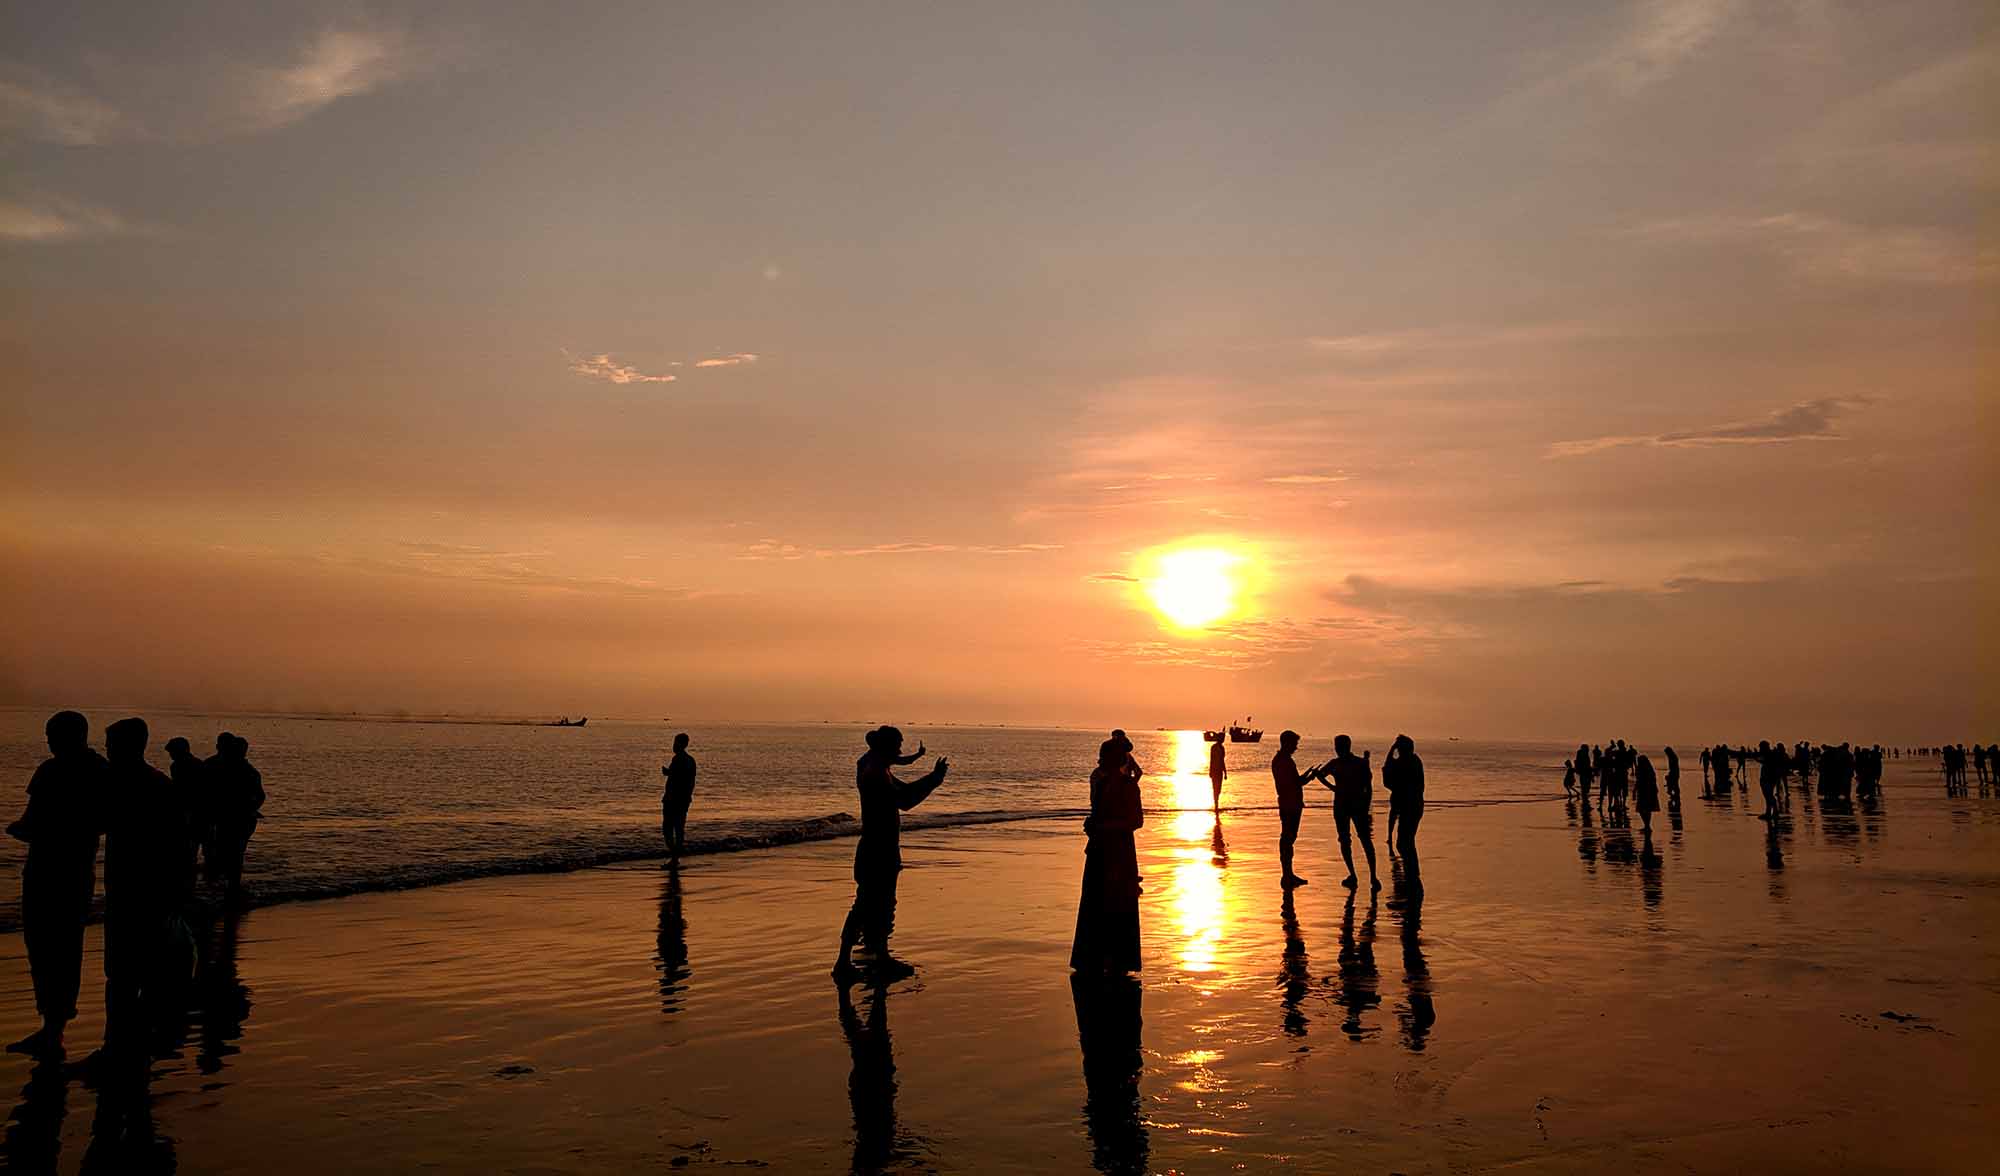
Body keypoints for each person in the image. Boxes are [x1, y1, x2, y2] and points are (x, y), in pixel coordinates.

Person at [97, 717, 198, 1065]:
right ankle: (134, 1045)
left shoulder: (123, 785)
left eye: (110, 747)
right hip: (154, 893)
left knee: (122, 975)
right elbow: (181, 844)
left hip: (132, 893)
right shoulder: (159, 783)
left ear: (125, 747)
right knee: (145, 974)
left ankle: (117, 1047)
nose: (107, 752)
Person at [5, 711, 106, 1057]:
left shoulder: (51, 771)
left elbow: (31, 823)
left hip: (47, 870)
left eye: (51, 735)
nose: (47, 741)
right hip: (80, 871)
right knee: (67, 948)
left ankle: (52, 1029)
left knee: (43, 945)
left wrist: (16, 829)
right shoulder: (101, 769)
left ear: (66, 736)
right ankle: (54, 1028)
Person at [833, 727, 949, 981]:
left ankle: (876, 956)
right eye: (897, 745)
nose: (899, 751)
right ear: (885, 747)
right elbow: (905, 800)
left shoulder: (872, 764)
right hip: (878, 849)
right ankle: (846, 962)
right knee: (869, 905)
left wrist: (920, 764)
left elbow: (901, 777)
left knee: (877, 904)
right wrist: (934, 779)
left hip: (877, 847)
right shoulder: (876, 773)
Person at [1071, 732, 1144, 974]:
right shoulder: (1100, 782)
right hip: (1100, 849)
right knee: (1096, 901)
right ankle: (1094, 958)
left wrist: (1102, 827)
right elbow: (1098, 812)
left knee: (1116, 904)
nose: (1102, 765)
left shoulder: (1129, 787)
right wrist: (1093, 825)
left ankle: (1116, 960)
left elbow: (1135, 821)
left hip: (1119, 851)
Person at [204, 734, 265, 898]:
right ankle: (227, 888)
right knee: (229, 853)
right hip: (229, 818)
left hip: (234, 818)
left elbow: (259, 796)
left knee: (230, 852)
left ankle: (226, 888)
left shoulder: (243, 770)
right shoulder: (245, 770)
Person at [1319, 735, 1379, 892]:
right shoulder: (1347, 763)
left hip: (1351, 805)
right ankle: (1359, 875)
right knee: (1351, 840)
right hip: (1348, 805)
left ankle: (1368, 876)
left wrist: (1333, 788)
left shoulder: (1352, 763)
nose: (1337, 749)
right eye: (1337, 746)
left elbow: (1368, 786)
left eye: (1338, 746)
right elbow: (1320, 775)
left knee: (1358, 840)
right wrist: (1333, 788)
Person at [1270, 731, 1320, 889]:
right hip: (1289, 803)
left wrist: (1306, 777)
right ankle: (1287, 875)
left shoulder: (1282, 760)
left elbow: (1293, 782)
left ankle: (1288, 874)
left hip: (1289, 802)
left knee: (1288, 839)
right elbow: (1293, 784)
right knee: (1288, 839)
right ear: (1287, 743)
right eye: (1294, 744)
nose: (1296, 747)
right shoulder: (1283, 761)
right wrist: (1309, 778)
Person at [1382, 735, 1424, 887]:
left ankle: (1412, 874)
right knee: (1407, 841)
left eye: (1398, 748)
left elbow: (1387, 775)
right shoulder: (1414, 760)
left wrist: (1391, 750)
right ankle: (1412, 872)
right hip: (1414, 805)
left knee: (1404, 842)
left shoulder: (1407, 762)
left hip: (1409, 806)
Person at [164, 737, 208, 876]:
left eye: (172, 752)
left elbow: (180, 790)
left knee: (186, 850)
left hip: (189, 813)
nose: (171, 756)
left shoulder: (178, 766)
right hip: (197, 813)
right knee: (191, 851)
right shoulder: (198, 764)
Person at [661, 733, 696, 860]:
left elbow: (677, 776)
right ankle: (676, 855)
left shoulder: (678, 759)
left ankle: (674, 854)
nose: (674, 746)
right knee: (679, 827)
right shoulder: (690, 760)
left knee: (667, 828)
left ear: (681, 744)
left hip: (672, 799)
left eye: (675, 743)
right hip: (684, 799)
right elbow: (690, 780)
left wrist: (668, 773)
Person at [1634, 753, 1659, 835]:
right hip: (1647, 790)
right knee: (1647, 809)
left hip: (1644, 791)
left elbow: (1639, 781)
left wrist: (1635, 790)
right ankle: (1647, 825)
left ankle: (1647, 826)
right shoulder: (1649, 769)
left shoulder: (1643, 770)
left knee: (1643, 809)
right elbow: (1653, 780)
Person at [1208, 736, 1227, 812]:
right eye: (1222, 738)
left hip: (1219, 771)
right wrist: (1210, 771)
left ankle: (1216, 804)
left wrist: (1225, 772)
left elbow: (1222, 761)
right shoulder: (1214, 747)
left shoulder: (1222, 748)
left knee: (1218, 789)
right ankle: (1216, 805)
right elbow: (1211, 760)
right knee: (1215, 788)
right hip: (1215, 771)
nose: (1223, 740)